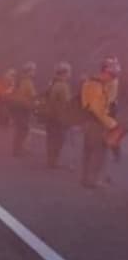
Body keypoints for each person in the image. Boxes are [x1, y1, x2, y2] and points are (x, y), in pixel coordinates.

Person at [80, 57, 123, 189]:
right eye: (112, 74)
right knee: (98, 152)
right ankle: (92, 180)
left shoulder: (97, 83)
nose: (114, 77)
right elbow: (98, 110)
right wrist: (112, 124)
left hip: (91, 121)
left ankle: (86, 178)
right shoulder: (95, 85)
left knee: (88, 151)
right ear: (105, 71)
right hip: (97, 123)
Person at [42, 62, 74, 169]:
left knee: (51, 139)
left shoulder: (52, 83)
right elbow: (66, 104)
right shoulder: (63, 86)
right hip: (58, 117)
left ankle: (50, 160)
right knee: (58, 140)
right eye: (69, 72)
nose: (70, 74)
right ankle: (53, 161)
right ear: (64, 73)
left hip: (49, 115)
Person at [10, 62, 37, 156]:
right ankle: (18, 150)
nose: (34, 72)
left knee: (20, 129)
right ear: (29, 71)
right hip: (23, 108)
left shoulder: (20, 80)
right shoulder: (27, 82)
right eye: (33, 70)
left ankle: (17, 149)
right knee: (23, 130)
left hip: (17, 107)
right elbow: (32, 95)